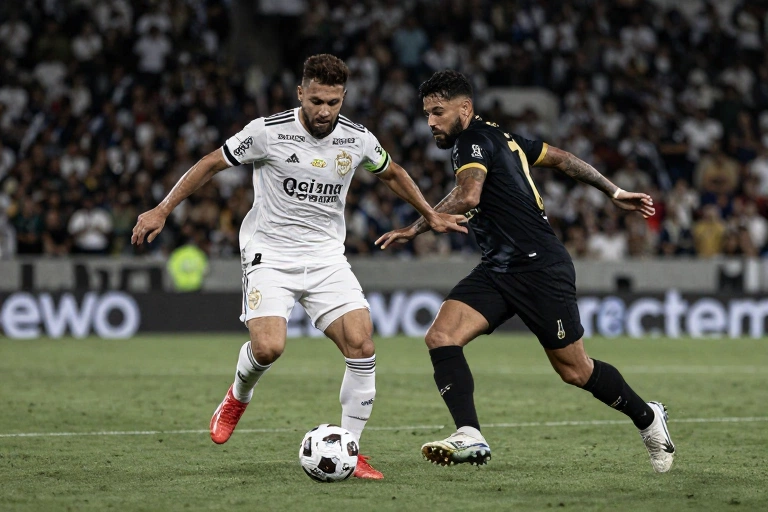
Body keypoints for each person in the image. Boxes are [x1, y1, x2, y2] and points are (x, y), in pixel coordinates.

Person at [131, 55, 467, 480]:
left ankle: (350, 450)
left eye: (333, 102)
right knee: (268, 348)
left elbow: (392, 173)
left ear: (344, 97)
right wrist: (162, 209)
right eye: (316, 101)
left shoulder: (357, 139)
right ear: (300, 94)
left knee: (362, 344)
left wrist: (429, 214)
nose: (324, 111)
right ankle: (237, 396)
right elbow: (211, 163)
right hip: (270, 253)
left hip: (325, 257)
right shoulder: (267, 132)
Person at [376, 70, 675, 473]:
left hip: (539, 268)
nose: (430, 122)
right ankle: (469, 433)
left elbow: (469, 195)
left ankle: (648, 417)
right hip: (499, 267)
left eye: (438, 112)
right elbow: (563, 159)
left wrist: (421, 222)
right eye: (427, 113)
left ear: (465, 108)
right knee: (441, 336)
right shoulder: (501, 137)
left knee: (575, 370)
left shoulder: (471, 141)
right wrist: (614, 190)